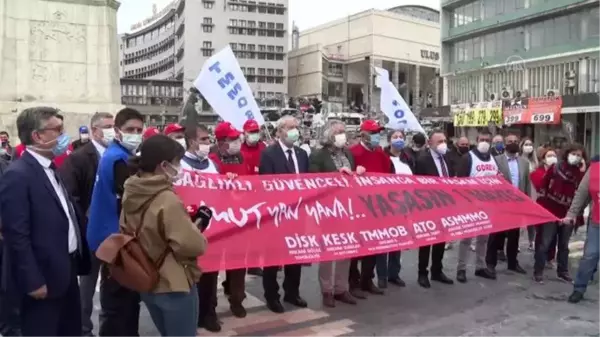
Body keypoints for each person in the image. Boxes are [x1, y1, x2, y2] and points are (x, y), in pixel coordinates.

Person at [0, 106, 91, 337]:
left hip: (65, 270)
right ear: (37, 136)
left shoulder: (51, 168)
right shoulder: (18, 175)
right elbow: (16, 234)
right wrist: (32, 281)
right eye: (57, 130)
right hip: (42, 279)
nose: (63, 136)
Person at [122, 134, 207, 337]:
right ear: (164, 165)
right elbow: (192, 245)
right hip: (173, 282)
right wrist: (198, 227)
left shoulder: (132, 188)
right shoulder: (166, 198)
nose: (180, 167)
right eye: (178, 162)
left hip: (145, 275)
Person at [87, 107, 145, 337]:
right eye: (130, 129)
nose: (135, 133)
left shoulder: (115, 154)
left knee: (125, 299)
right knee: (119, 301)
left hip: (110, 237)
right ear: (118, 131)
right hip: (115, 241)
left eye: (139, 130)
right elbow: (130, 202)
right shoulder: (119, 159)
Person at [58, 112, 115, 337]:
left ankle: (111, 327)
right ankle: (83, 329)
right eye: (107, 126)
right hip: (90, 232)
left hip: (116, 233)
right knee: (87, 285)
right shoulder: (79, 158)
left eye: (114, 126)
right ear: (94, 130)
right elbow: (71, 196)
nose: (112, 130)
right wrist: (86, 221)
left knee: (115, 285)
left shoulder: (120, 155)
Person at [259, 116, 309, 313]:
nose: (295, 131)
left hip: (298, 212)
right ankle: (272, 296)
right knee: (273, 257)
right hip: (277, 214)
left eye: (297, 127)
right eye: (290, 128)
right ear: (279, 131)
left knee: (295, 255)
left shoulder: (302, 154)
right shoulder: (269, 154)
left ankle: (292, 291)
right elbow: (267, 184)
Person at [310, 120, 359, 308]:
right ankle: (327, 290)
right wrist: (337, 174)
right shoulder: (318, 155)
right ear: (329, 134)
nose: (342, 135)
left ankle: (341, 288)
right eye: (339, 132)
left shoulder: (348, 153)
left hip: (348, 208)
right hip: (328, 209)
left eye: (344, 132)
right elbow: (314, 181)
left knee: (345, 250)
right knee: (328, 251)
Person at [179, 124, 222, 332]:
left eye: (208, 139)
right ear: (191, 141)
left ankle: (210, 313)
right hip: (189, 229)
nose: (207, 143)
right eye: (203, 139)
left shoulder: (213, 165)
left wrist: (229, 181)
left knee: (211, 274)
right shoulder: (179, 165)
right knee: (191, 276)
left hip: (213, 228)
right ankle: (193, 315)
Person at [208, 122, 249, 318]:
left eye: (236, 138)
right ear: (221, 141)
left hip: (240, 217)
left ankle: (237, 298)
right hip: (219, 219)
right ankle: (210, 304)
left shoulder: (241, 156)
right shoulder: (212, 160)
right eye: (232, 139)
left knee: (239, 262)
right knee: (214, 264)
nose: (236, 142)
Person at [532, 144, 586, 284]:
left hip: (568, 213)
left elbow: (582, 192)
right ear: (567, 154)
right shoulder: (555, 168)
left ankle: (562, 272)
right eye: (573, 153)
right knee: (545, 243)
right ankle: (538, 271)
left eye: (579, 155)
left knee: (563, 245)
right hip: (551, 211)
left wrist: (583, 171)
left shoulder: (580, 173)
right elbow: (543, 186)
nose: (576, 157)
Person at [349, 120, 390, 296]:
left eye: (378, 132)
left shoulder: (381, 154)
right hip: (358, 207)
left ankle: (368, 279)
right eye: (373, 132)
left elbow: (388, 177)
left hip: (377, 207)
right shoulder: (353, 153)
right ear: (363, 134)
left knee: (373, 246)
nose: (377, 136)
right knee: (356, 248)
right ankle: (354, 282)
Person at [454, 130, 497, 283]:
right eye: (482, 139)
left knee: (483, 239)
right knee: (466, 239)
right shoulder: (468, 158)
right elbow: (460, 183)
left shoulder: (493, 159)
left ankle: (480, 266)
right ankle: (461, 269)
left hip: (488, 205)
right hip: (470, 205)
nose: (485, 142)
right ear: (477, 140)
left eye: (487, 139)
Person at [414, 130, 454, 288]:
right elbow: (417, 185)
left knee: (441, 240)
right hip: (428, 207)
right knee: (427, 240)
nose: (443, 144)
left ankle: (437, 270)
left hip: (445, 205)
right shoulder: (423, 160)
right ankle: (422, 273)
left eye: (444, 140)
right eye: (439, 142)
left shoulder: (447, 158)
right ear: (430, 143)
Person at [486, 133, 530, 277]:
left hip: (517, 204)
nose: (513, 143)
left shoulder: (524, 162)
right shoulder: (495, 160)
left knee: (514, 236)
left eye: (516, 141)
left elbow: (526, 184)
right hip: (500, 204)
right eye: (510, 141)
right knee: (496, 235)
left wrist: (527, 202)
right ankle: (491, 264)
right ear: (505, 144)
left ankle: (512, 262)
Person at [377, 130, 410, 289]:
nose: (398, 140)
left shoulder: (408, 158)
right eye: (395, 137)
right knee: (384, 241)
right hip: (385, 205)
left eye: (401, 137)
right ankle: (382, 275)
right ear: (389, 140)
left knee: (397, 240)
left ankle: (393, 273)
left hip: (402, 205)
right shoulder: (382, 157)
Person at [564, 157, 600, 303]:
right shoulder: (595, 169)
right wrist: (572, 214)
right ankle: (579, 288)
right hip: (597, 222)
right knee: (590, 255)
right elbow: (581, 194)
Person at [239, 119, 268, 277]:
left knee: (258, 231)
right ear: (244, 133)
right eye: (251, 132)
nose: (254, 135)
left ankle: (254, 262)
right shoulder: (239, 150)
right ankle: (241, 262)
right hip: (243, 196)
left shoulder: (264, 148)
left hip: (260, 195)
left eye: (256, 131)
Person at [520, 137, 538, 251]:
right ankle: (516, 243)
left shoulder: (535, 162)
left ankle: (532, 241)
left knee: (532, 219)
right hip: (522, 190)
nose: (528, 146)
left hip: (534, 192)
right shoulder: (518, 159)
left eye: (530, 144)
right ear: (521, 146)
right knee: (520, 219)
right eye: (526, 144)